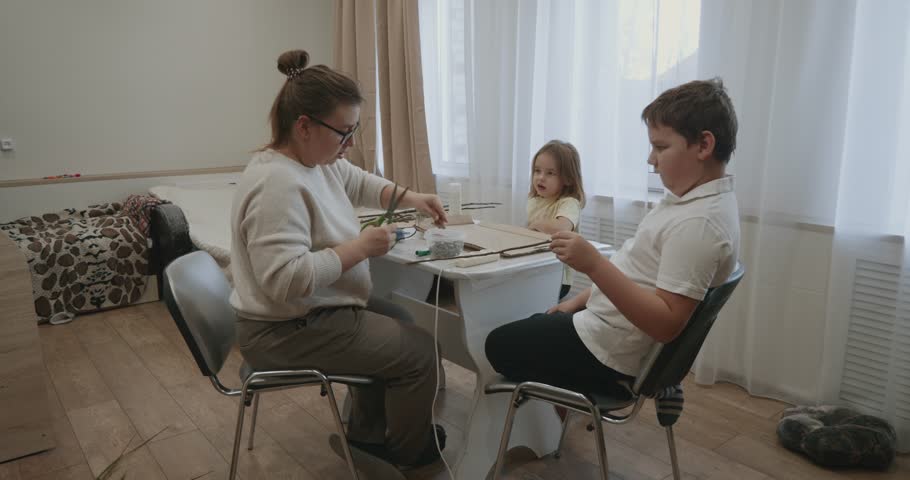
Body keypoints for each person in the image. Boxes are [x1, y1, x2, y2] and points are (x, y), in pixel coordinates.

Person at [230, 49, 448, 468]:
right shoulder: (278, 184)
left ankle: (369, 437)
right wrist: (359, 249)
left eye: (354, 131)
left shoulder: (316, 160)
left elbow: (361, 182)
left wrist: (412, 197)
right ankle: (407, 454)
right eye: (343, 133)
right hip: (282, 332)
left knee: (398, 322)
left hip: (307, 316)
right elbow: (285, 281)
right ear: (305, 126)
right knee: (420, 352)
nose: (349, 144)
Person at [485, 78, 741, 399]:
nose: (651, 159)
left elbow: (665, 325)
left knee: (496, 345)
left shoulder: (700, 223)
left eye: (661, 147)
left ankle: (579, 400)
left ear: (704, 146)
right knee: (536, 323)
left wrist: (592, 264)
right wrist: (576, 302)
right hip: (603, 325)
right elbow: (635, 269)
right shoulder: (689, 201)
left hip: (609, 349)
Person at [526, 140, 585, 300]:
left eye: (550, 173)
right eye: (537, 171)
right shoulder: (534, 201)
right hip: (535, 268)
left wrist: (537, 225)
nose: (541, 178)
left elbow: (563, 227)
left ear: (568, 178)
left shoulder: (569, 203)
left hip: (558, 276)